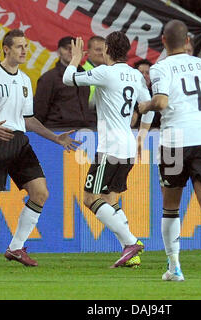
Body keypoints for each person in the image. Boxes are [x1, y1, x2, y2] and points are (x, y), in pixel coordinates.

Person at [0, 29, 81, 268]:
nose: (24, 51)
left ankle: (16, 248)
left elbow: (28, 120)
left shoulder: (25, 79)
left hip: (20, 142)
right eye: (20, 47)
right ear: (6, 49)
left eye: (26, 47)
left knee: (40, 193)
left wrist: (56, 138)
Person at [138, 20, 201, 281]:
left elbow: (160, 101)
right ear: (188, 41)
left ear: (163, 40)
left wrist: (143, 107)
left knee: (171, 207)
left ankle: (175, 268)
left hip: (174, 140)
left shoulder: (161, 68)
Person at [63, 31, 155, 268]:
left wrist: (75, 59)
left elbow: (68, 79)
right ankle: (131, 254)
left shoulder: (105, 72)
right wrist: (142, 135)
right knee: (110, 200)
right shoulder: (135, 75)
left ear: (106, 50)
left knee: (89, 198)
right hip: (127, 147)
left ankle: (131, 242)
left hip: (109, 148)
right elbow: (149, 107)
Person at [34, 36, 95, 128]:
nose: (71, 52)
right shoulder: (49, 78)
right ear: (59, 52)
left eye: (74, 49)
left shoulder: (85, 76)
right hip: (57, 130)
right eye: (67, 48)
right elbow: (39, 111)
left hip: (83, 130)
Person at [131, 59, 161, 129]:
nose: (144, 75)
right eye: (141, 73)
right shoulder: (129, 95)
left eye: (147, 73)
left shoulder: (158, 95)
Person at [82, 36, 106, 107]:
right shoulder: (80, 73)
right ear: (88, 52)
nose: (102, 53)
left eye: (105, 50)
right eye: (98, 50)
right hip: (88, 115)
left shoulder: (113, 72)